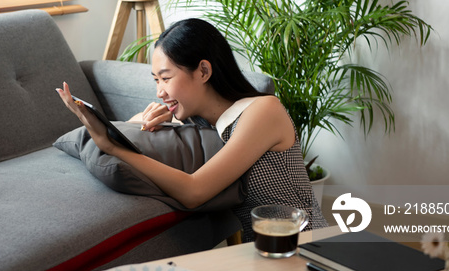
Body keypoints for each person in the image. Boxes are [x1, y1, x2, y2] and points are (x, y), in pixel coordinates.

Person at [57, 18, 327, 242]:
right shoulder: (199, 121)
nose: (159, 91)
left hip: (306, 244)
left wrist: (114, 148)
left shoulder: (263, 111)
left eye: (166, 78)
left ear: (203, 71)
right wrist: (151, 117)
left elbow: (194, 192)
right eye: (155, 80)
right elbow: (139, 127)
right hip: (259, 252)